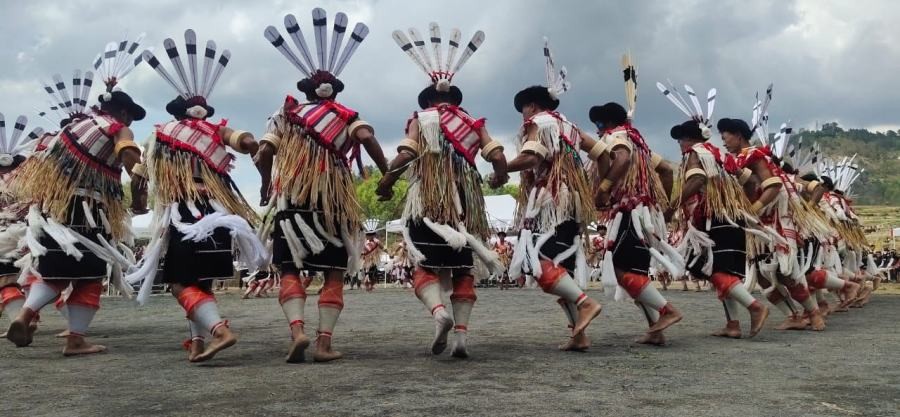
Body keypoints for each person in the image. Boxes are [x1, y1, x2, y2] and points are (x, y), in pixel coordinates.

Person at [127, 30, 268, 362]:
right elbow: (250, 143)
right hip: (220, 217)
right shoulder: (217, 132)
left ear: (178, 112)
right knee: (199, 283)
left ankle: (220, 330)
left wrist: (137, 203)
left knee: (178, 283)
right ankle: (198, 342)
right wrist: (263, 176)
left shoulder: (161, 136)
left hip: (185, 218)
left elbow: (137, 178)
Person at [257, 8, 389, 363]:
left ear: (308, 91)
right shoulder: (348, 116)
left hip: (292, 202)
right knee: (333, 271)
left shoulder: (286, 114)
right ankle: (323, 344)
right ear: (332, 92)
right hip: (332, 204)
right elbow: (368, 139)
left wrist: (266, 186)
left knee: (288, 269)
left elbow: (262, 153)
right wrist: (387, 175)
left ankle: (297, 331)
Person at [378, 23, 508, 359]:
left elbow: (406, 154)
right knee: (463, 268)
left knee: (424, 266)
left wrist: (387, 182)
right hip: (464, 204)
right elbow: (497, 155)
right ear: (452, 97)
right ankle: (461, 337)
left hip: (428, 203)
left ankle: (439, 314)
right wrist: (498, 177)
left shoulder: (420, 119)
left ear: (430, 99)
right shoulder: (472, 122)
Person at [7, 50, 148, 355]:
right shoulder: (118, 129)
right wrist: (138, 198)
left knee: (54, 272)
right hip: (87, 212)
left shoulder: (73, 126)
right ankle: (75, 339)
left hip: (51, 212)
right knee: (90, 277)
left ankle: (25, 314)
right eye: (131, 116)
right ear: (123, 113)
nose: (130, 121)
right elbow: (132, 162)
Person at [506, 38, 603, 352]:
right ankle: (580, 334)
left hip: (551, 202)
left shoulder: (538, 123)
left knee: (539, 262)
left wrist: (500, 169)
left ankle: (585, 304)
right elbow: (603, 155)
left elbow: (532, 158)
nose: (523, 115)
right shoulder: (571, 127)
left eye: (524, 109)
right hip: (571, 201)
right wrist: (596, 186)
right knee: (565, 267)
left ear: (532, 106)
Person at [591, 66, 682, 345]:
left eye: (597, 124)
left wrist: (604, 189)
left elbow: (621, 161)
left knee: (619, 269)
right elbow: (667, 170)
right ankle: (657, 330)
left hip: (629, 215)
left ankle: (668, 311)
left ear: (604, 123)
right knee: (636, 273)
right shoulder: (640, 142)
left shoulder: (615, 138)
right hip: (645, 214)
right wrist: (661, 205)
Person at [718, 115, 829, 331]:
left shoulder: (754, 155)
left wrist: (754, 209)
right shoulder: (741, 158)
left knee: (785, 273)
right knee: (762, 277)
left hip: (773, 223)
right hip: (757, 226)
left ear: (738, 136)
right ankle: (793, 316)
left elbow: (773, 184)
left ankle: (814, 313)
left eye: (725, 137)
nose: (723, 141)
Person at [666, 117, 770, 338]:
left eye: (681, 139)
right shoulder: (722, 156)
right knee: (725, 271)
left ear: (689, 139)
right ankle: (732, 324)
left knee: (708, 268)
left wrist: (671, 206)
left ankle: (755, 307)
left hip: (716, 218)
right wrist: (743, 206)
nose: (680, 144)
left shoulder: (694, 153)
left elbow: (696, 180)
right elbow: (751, 182)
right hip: (732, 217)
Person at [0, 113, 44, 337]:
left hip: (5, 239)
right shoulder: (29, 182)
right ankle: (29, 318)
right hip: (30, 235)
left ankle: (20, 322)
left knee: (6, 281)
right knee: (30, 279)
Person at [361, 225, 385, 292]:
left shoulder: (377, 241)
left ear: (374, 235)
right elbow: (362, 251)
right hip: (366, 260)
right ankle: (367, 285)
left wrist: (389, 253)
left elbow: (383, 248)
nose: (369, 236)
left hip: (374, 260)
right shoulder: (365, 242)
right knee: (367, 273)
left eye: (371, 234)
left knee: (372, 274)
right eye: (368, 235)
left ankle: (371, 285)